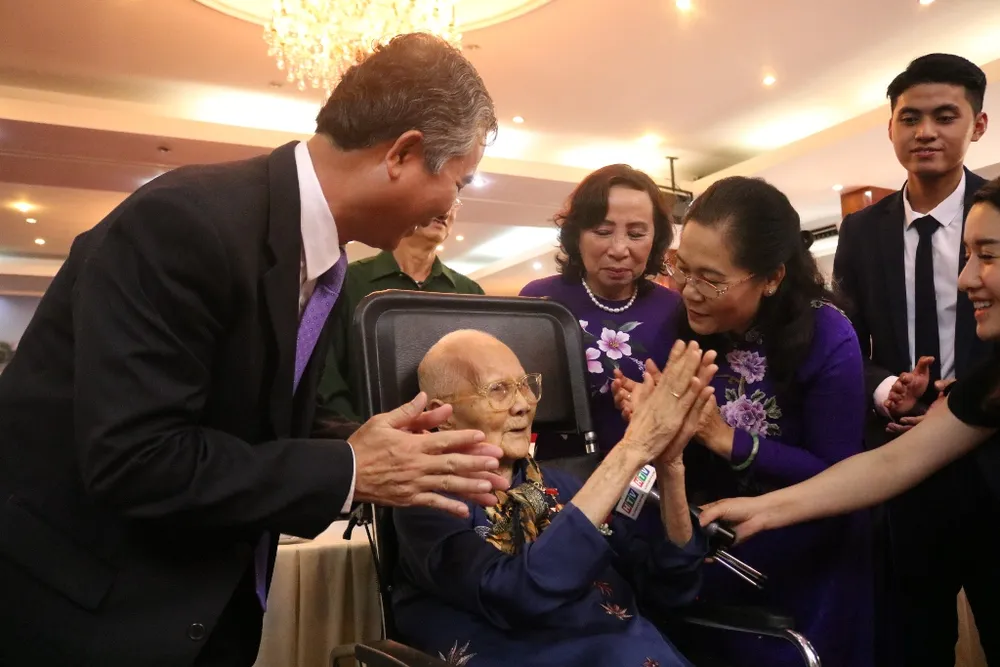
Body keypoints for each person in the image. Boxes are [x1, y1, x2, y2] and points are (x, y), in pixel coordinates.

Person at [0, 34, 508, 667]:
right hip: (91, 612)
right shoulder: (184, 222)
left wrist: (374, 443)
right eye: (458, 181)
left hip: (207, 600)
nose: (453, 206)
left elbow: (250, 413)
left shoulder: (320, 260)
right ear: (403, 153)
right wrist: (351, 469)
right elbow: (136, 458)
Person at [613, 176, 873, 667]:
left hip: (806, 556)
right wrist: (652, 421)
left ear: (771, 278)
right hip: (710, 546)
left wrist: (725, 438)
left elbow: (840, 478)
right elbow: (669, 453)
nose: (688, 290)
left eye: (711, 278)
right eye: (681, 268)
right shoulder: (679, 327)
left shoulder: (827, 336)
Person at [698, 174, 1000, 560]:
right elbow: (890, 463)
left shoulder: (826, 331)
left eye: (987, 257)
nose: (964, 279)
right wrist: (762, 511)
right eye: (967, 255)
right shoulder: (989, 383)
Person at [393, 331, 717, 667]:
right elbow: (517, 595)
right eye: (498, 389)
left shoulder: (564, 487)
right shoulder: (428, 501)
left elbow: (668, 590)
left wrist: (669, 465)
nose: (523, 404)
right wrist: (632, 449)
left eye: (525, 385)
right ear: (444, 415)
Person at [832, 53, 997, 665]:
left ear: (977, 125)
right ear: (891, 128)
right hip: (900, 465)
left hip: (990, 459)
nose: (925, 132)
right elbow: (847, 341)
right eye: (910, 118)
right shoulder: (861, 231)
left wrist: (968, 399)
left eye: (945, 116)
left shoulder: (995, 213)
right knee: (912, 640)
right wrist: (885, 390)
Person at [519, 164, 680, 455]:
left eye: (636, 234)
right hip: (560, 471)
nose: (619, 249)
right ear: (576, 235)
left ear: (655, 239)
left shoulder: (673, 308)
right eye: (603, 231)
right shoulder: (541, 302)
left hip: (650, 468)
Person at [316, 198, 484, 422]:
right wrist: (353, 430)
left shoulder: (469, 292)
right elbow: (324, 371)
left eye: (454, 201)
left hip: (454, 433)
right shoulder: (346, 281)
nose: (445, 210)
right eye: (436, 198)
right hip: (365, 432)